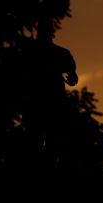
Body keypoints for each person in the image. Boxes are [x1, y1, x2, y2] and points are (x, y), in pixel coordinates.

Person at [21, 18, 78, 173]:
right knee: (51, 138)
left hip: (35, 101)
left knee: (35, 138)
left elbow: (19, 75)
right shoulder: (62, 53)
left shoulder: (29, 51)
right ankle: (49, 169)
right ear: (53, 32)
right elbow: (73, 78)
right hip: (52, 101)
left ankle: (37, 168)